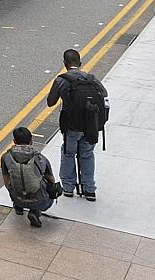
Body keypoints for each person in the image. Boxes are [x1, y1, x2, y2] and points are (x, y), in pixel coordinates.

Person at [46, 48, 109, 200]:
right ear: (80, 63)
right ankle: (89, 189)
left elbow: (50, 102)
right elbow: (105, 97)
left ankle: (68, 187)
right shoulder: (92, 78)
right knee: (87, 154)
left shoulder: (62, 80)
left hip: (71, 125)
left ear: (65, 64)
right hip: (91, 125)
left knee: (68, 153)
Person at [1, 125, 60, 228]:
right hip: (39, 201)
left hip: (16, 198)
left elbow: (6, 180)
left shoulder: (6, 157)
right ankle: (35, 212)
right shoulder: (40, 158)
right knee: (50, 188)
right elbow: (51, 180)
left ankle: (18, 207)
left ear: (14, 141)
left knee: (15, 182)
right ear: (31, 141)